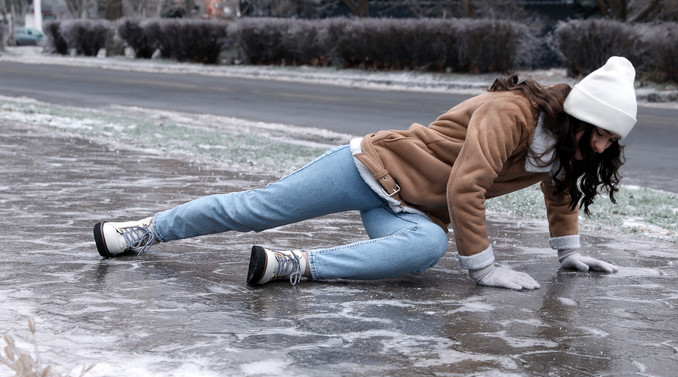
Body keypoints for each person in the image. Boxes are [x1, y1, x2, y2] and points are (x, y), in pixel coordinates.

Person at [94, 56, 638, 290]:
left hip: (413, 209)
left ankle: (292, 266)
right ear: (575, 116)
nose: (603, 145)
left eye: (613, 138)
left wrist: (568, 252)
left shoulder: (566, 147)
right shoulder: (512, 113)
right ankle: (141, 231)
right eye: (599, 132)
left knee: (424, 250)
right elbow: (467, 184)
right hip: (371, 167)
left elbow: (560, 188)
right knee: (256, 210)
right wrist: (485, 269)